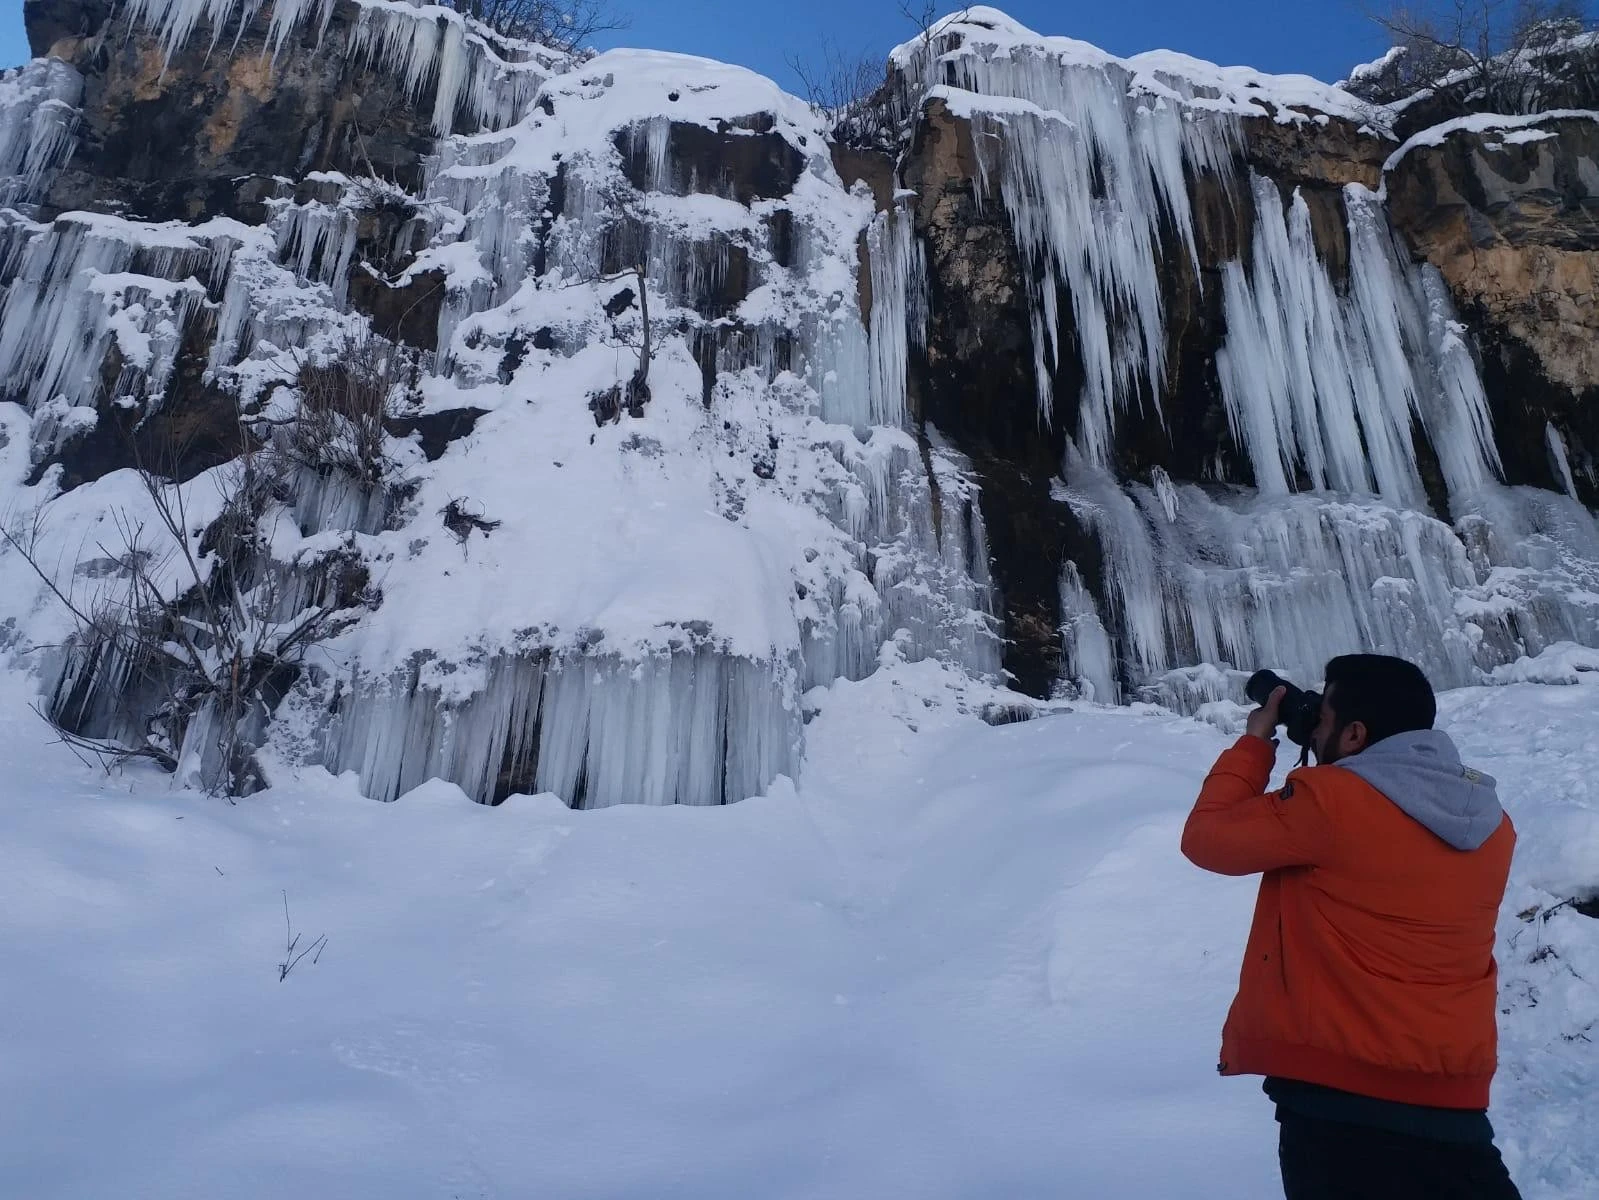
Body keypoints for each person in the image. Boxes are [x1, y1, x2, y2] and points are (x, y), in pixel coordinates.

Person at [1181, 654, 1521, 1200]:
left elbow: (1206, 839)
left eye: (1323, 718)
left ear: (1356, 733)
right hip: (1454, 1107)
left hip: (1340, 1105)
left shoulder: (1330, 802)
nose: (1314, 730)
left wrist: (1256, 742)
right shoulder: (1492, 823)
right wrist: (1323, 740)